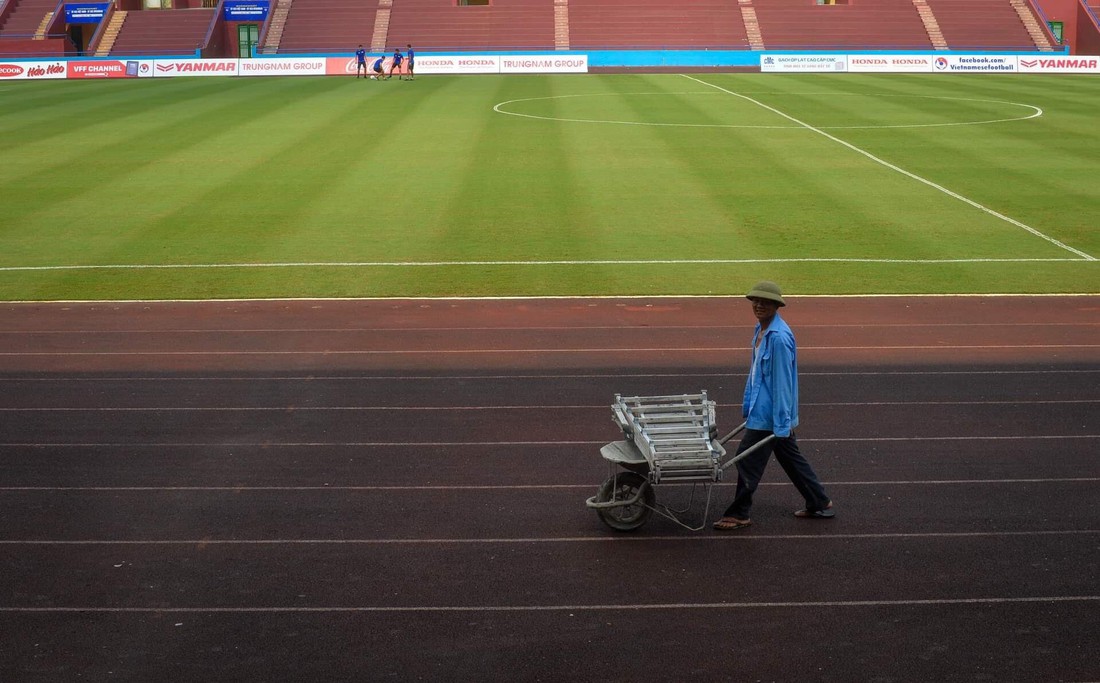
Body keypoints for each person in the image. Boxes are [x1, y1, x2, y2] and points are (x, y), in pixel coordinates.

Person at [713, 281, 834, 531]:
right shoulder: (761, 329)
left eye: (765, 302)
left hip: (770, 414)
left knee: (746, 461)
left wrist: (781, 423)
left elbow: (782, 384)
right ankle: (819, 500)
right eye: (756, 301)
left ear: (777, 306)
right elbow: (758, 374)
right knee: (790, 457)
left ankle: (739, 513)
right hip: (763, 408)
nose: (759, 305)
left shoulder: (778, 338)